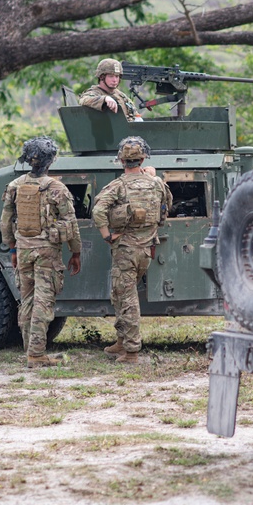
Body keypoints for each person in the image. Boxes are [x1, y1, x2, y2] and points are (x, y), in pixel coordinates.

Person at [0, 137, 82, 368]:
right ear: (51, 161)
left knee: (27, 300)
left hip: (24, 250)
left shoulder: (15, 186)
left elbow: (5, 223)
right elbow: (71, 224)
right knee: (43, 302)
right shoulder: (57, 188)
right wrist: (75, 252)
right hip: (47, 253)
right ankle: (36, 355)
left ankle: (31, 351)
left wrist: (13, 249)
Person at [92, 136, 172, 363]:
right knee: (120, 294)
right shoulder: (156, 183)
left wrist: (107, 236)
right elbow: (167, 205)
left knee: (126, 297)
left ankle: (132, 351)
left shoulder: (118, 186)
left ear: (120, 160)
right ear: (143, 157)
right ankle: (121, 341)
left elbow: (98, 211)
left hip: (125, 249)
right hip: (146, 248)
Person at [79, 58, 143, 122]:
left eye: (117, 76)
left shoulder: (121, 95)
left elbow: (135, 114)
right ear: (102, 77)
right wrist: (105, 99)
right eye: (111, 76)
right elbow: (83, 100)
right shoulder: (95, 92)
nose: (115, 80)